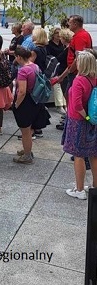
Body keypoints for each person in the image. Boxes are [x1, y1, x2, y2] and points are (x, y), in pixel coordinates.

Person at [62, 51, 97, 200]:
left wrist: (87, 117)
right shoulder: (94, 78)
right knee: (94, 154)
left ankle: (79, 189)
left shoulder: (79, 80)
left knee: (79, 155)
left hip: (79, 121)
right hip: (92, 121)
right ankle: (95, 187)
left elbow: (76, 105)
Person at [12, 47, 51, 164]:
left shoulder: (23, 70)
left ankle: (27, 155)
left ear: (19, 57)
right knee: (29, 129)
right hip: (36, 100)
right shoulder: (34, 66)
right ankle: (27, 149)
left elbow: (22, 91)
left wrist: (16, 104)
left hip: (26, 102)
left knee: (25, 130)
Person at [55, 15, 93, 95]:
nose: (68, 24)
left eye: (70, 23)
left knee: (71, 95)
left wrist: (70, 71)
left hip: (76, 73)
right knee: (69, 94)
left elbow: (79, 57)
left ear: (75, 24)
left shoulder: (80, 36)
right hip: (77, 72)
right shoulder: (81, 35)